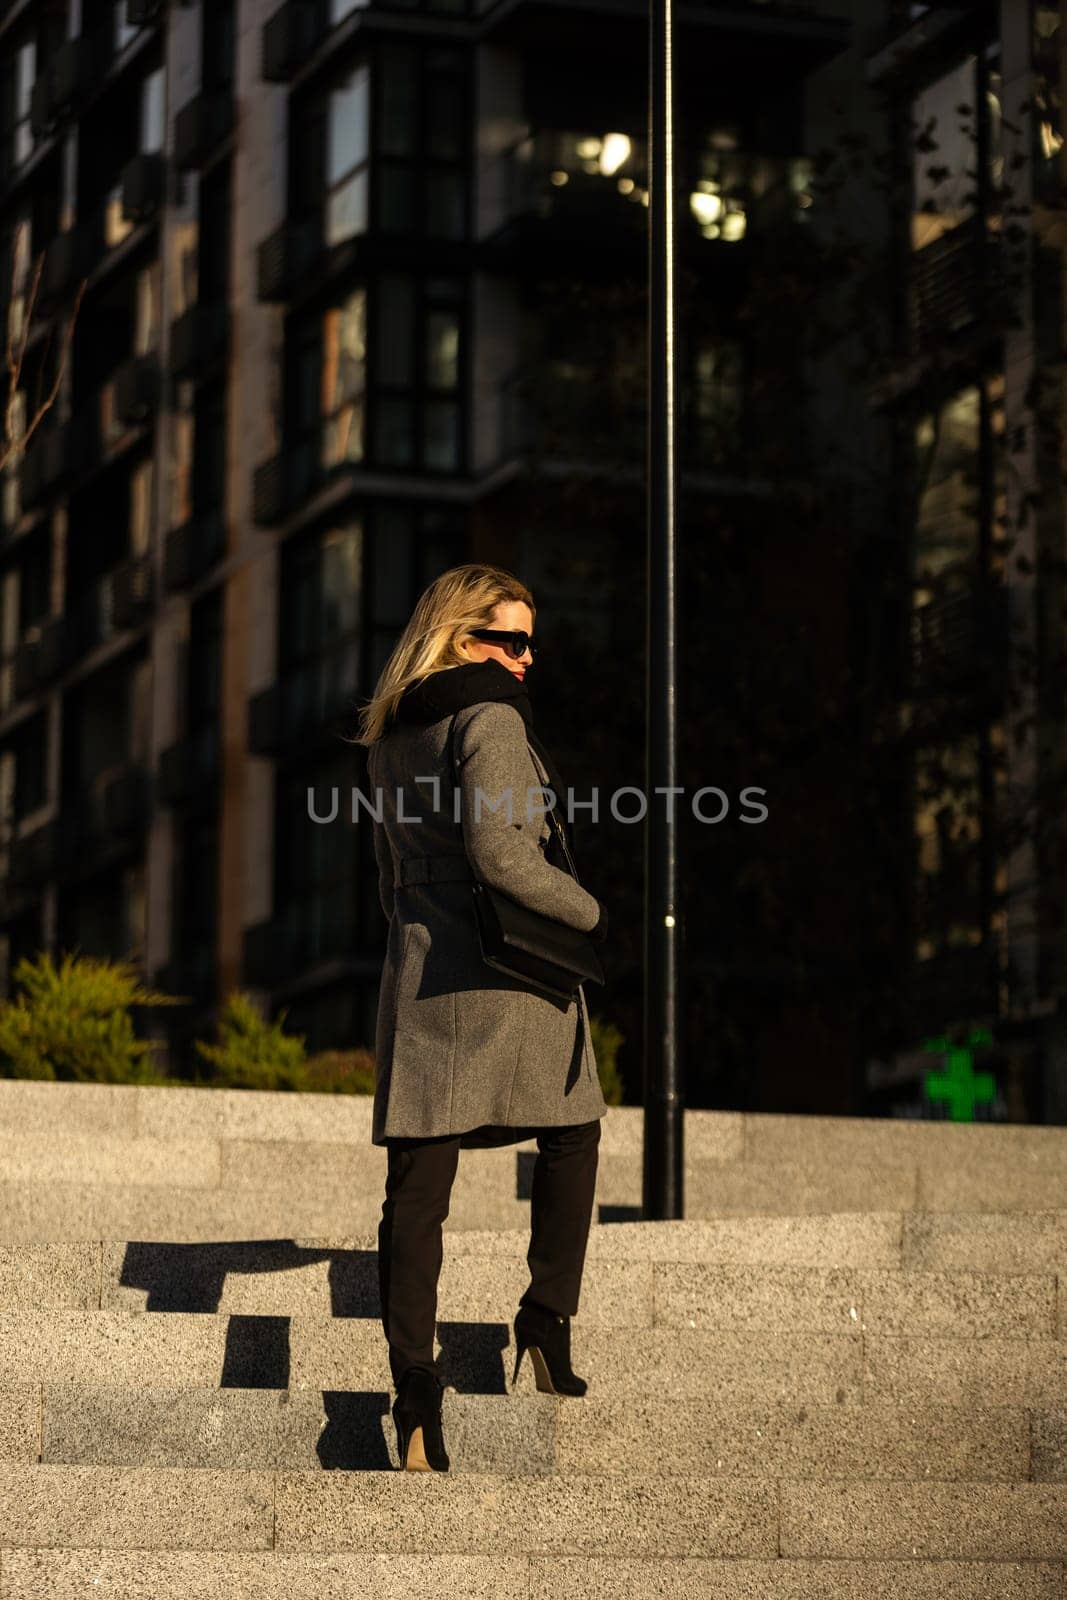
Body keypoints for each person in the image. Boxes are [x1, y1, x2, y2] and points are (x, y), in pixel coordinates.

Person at [353, 562, 610, 1471]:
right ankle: (546, 1321)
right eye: (507, 640)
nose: (523, 658)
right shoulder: (490, 718)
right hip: (512, 968)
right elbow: (504, 852)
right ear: (460, 638)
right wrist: (587, 911)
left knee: (418, 1186)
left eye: (529, 642)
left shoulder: (390, 733)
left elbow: (389, 876)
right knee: (574, 1129)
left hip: (425, 967)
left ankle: (414, 1388)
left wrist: (420, 932)